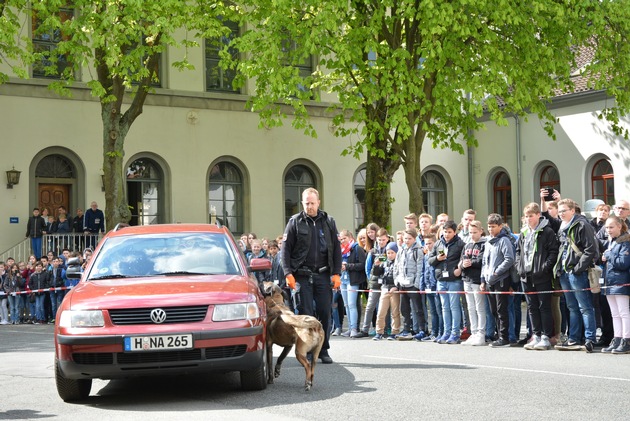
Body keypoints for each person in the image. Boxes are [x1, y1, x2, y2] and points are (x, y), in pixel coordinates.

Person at [281, 188, 341, 364]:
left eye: (312, 203)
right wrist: (287, 273)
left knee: (324, 312)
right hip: (301, 275)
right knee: (305, 314)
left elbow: (336, 249)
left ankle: (323, 349)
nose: (309, 206)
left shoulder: (328, 222)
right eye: (306, 203)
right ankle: (307, 349)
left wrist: (336, 273)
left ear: (318, 202)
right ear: (302, 203)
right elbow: (285, 251)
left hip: (323, 274)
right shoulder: (294, 222)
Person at [554, 198, 598, 352]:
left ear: (572, 210)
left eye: (564, 211)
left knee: (585, 307)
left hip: (576, 272)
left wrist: (578, 268)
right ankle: (574, 338)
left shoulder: (582, 224)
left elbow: (590, 249)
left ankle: (590, 339)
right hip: (565, 272)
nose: (561, 214)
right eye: (559, 211)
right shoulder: (562, 225)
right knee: (572, 307)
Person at [515, 203, 559, 351]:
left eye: (531, 216)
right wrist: (519, 268)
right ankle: (537, 335)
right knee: (532, 307)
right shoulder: (524, 233)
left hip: (541, 276)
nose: (528, 219)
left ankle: (546, 336)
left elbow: (553, 252)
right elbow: (518, 253)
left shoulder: (547, 231)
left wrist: (544, 268)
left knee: (544, 307)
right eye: (526, 216)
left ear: (538, 215)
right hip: (526, 276)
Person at [481, 213, 515, 348]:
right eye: (489, 227)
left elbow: (509, 259)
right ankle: (498, 334)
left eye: (493, 227)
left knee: (502, 310)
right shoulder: (488, 241)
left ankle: (504, 337)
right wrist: (483, 279)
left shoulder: (504, 240)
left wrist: (497, 272)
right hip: (489, 280)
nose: (490, 229)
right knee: (493, 310)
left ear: (500, 226)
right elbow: (485, 261)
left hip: (501, 280)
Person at [428, 220, 465, 344]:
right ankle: (446, 332)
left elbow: (463, 258)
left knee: (454, 306)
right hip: (441, 280)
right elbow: (430, 260)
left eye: (449, 232)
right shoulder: (438, 243)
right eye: (445, 231)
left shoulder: (460, 244)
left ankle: (455, 333)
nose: (447, 234)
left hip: (454, 280)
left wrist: (458, 269)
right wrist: (437, 258)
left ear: (454, 232)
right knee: (445, 307)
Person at [600, 215, 630, 354]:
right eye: (606, 228)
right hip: (610, 281)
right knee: (615, 314)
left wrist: (609, 254)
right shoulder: (612, 242)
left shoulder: (626, 242)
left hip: (621, 281)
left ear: (619, 226)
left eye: (611, 227)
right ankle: (617, 338)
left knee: (624, 313)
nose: (608, 230)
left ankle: (626, 340)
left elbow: (623, 264)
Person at [393, 228, 427, 341]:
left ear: (414, 238)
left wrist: (417, 283)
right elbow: (396, 266)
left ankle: (423, 329)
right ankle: (407, 328)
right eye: (405, 238)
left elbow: (419, 268)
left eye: (409, 238)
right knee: (404, 308)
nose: (407, 241)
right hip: (402, 283)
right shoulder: (401, 250)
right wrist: (396, 280)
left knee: (418, 308)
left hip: (413, 284)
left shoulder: (418, 250)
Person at [459, 220, 487, 346]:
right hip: (466, 279)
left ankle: (481, 333)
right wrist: (463, 264)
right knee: (470, 307)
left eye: (475, 232)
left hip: (477, 280)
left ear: (481, 231)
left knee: (479, 307)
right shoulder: (467, 245)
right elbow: (462, 259)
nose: (472, 235)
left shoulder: (484, 244)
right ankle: (474, 332)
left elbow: (483, 260)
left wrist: (471, 262)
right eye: (470, 232)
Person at [357, 228, 389, 338]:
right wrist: (371, 279)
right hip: (375, 282)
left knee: (383, 307)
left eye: (383, 240)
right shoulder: (373, 252)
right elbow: (367, 268)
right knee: (370, 306)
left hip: (386, 282)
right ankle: (365, 329)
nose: (381, 242)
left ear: (387, 239)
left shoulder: (389, 250)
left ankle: (384, 329)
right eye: (379, 240)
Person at [338, 230, 366, 338]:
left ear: (350, 238)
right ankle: (349, 328)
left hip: (353, 280)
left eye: (344, 238)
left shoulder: (357, 248)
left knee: (351, 304)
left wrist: (348, 266)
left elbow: (362, 265)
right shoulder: (341, 250)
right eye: (341, 239)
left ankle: (354, 328)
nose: (342, 241)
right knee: (346, 304)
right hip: (343, 279)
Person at [372, 242, 401, 340]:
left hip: (394, 289)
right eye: (388, 253)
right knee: (381, 312)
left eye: (392, 253)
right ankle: (379, 332)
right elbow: (376, 274)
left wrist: (397, 287)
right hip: (384, 288)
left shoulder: (399, 262)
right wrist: (376, 265)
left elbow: (401, 276)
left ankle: (395, 331)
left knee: (395, 312)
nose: (390, 255)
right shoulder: (384, 262)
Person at [420, 235, 443, 342]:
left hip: (436, 286)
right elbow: (423, 272)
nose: (428, 246)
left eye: (430, 243)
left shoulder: (439, 255)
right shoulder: (425, 256)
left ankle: (441, 332)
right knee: (432, 311)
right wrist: (422, 286)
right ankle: (433, 332)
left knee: (439, 311)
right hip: (428, 286)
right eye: (426, 243)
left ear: (435, 243)